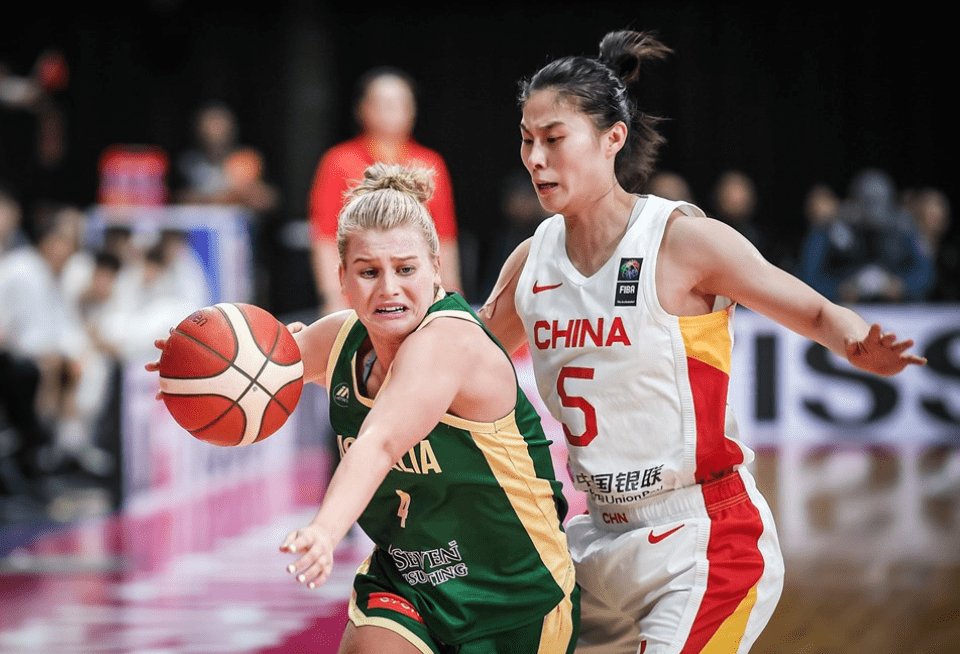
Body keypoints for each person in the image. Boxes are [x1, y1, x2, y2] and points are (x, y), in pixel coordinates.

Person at [478, 30, 927, 654]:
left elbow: (817, 311)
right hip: (594, 540)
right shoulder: (531, 261)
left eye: (554, 138)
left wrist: (856, 342)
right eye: (527, 139)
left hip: (703, 536)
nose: (535, 157)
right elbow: (462, 357)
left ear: (613, 138)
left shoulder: (680, 240)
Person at [148, 163, 579, 654]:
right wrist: (196, 374)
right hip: (410, 582)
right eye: (369, 272)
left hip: (513, 595)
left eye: (406, 269)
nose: (388, 287)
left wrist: (325, 530)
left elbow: (381, 442)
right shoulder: (339, 339)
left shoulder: (449, 342)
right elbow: (262, 365)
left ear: (436, 268)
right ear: (344, 279)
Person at [308, 67, 461, 315]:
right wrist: (332, 297)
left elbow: (444, 237)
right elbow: (325, 237)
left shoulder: (430, 163)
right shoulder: (338, 161)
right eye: (383, 103)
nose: (392, 110)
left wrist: (451, 295)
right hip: (359, 297)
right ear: (362, 109)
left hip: (418, 297)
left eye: (401, 103)